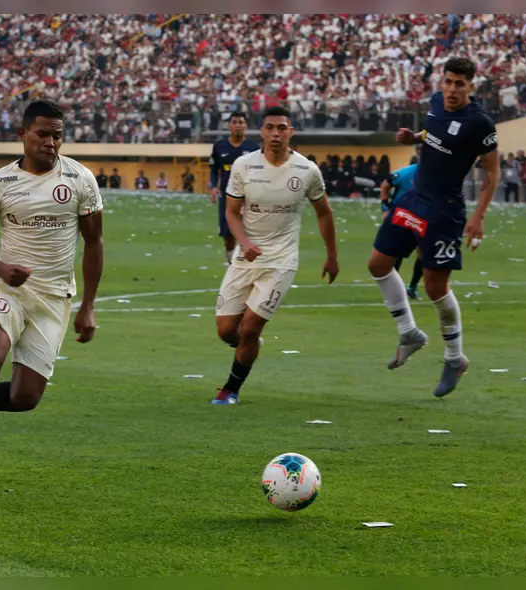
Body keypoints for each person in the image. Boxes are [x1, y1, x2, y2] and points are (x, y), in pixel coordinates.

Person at [0, 99, 104, 489]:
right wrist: (0, 269)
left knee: (25, 398)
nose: (51, 142)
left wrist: (88, 307)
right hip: (7, 290)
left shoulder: (81, 178)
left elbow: (94, 242)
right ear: (23, 135)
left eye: (58, 135)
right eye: (43, 134)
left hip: (53, 298)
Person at [367, 56, 500, 398]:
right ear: (441, 82)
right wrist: (415, 136)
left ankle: (455, 358)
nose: (452, 89)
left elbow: (492, 171)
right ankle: (409, 333)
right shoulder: (437, 103)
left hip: (444, 211)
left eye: (460, 83)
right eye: (448, 81)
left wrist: (479, 216)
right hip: (414, 199)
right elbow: (433, 134)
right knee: (378, 264)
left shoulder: (480, 123)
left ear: (472, 85)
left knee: (435, 287)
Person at [212, 106, 338, 405]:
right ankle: (249, 344)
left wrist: (331, 256)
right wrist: (244, 243)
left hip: (281, 260)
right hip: (247, 257)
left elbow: (324, 214)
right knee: (227, 331)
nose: (276, 133)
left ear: (290, 133)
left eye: (282, 128)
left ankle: (230, 389)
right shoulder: (244, 166)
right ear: (262, 132)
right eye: (270, 127)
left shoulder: (307, 171)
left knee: (252, 326)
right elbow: (231, 213)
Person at [210, 112, 260, 264]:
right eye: (235, 122)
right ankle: (233, 264)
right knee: (228, 237)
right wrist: (213, 187)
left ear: (246, 126)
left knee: (251, 234)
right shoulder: (220, 147)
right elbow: (213, 169)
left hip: (249, 198)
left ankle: (248, 267)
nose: (238, 125)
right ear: (229, 126)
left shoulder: (253, 148)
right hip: (227, 197)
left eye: (241, 122)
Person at [379, 163, 424, 299]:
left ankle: (412, 287)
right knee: (396, 253)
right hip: (401, 215)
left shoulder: (436, 174)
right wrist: (385, 208)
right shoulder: (407, 172)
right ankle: (394, 289)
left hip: (423, 216)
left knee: (423, 253)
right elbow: (385, 185)